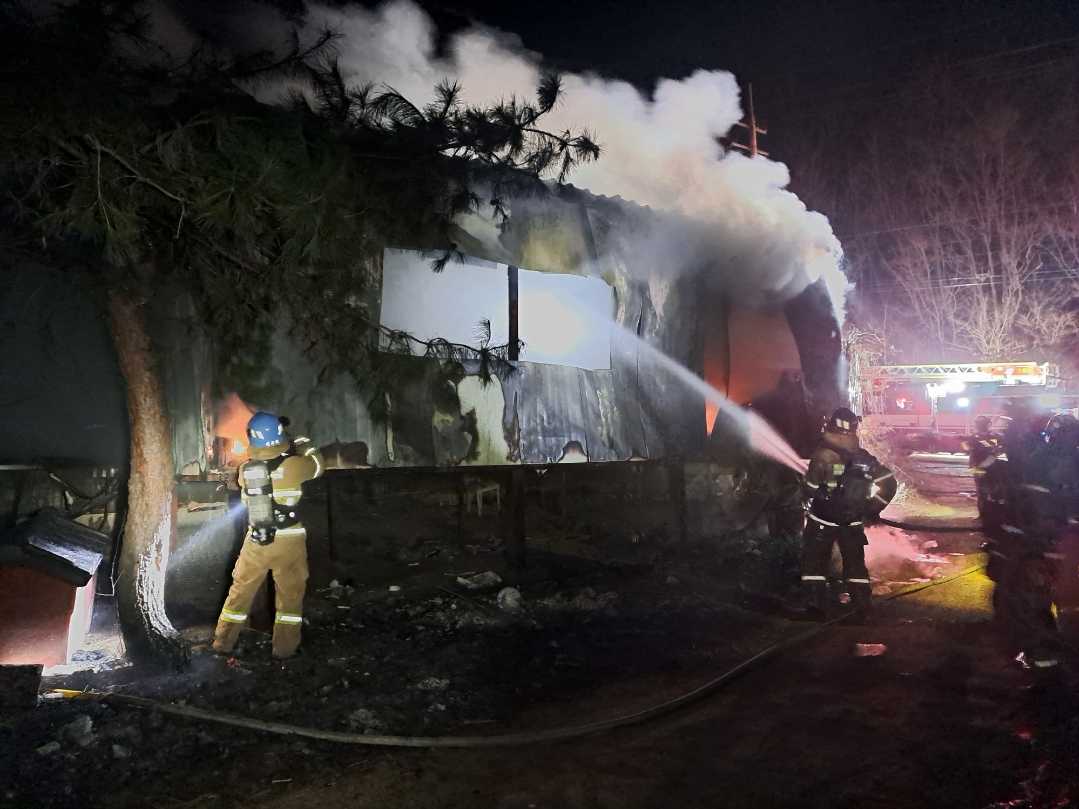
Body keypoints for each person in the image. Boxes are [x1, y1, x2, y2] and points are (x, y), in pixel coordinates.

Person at [213, 411, 324, 659]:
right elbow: (318, 465)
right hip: (289, 540)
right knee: (290, 596)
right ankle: (284, 649)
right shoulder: (295, 466)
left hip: (256, 540)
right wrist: (302, 443)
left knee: (240, 592)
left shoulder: (245, 470)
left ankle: (223, 642)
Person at [800, 407, 897, 620]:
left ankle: (815, 607)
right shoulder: (864, 459)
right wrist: (871, 508)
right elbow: (889, 483)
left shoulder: (822, 456)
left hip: (821, 520)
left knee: (814, 565)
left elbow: (809, 488)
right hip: (852, 523)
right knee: (855, 567)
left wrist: (811, 488)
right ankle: (861, 606)